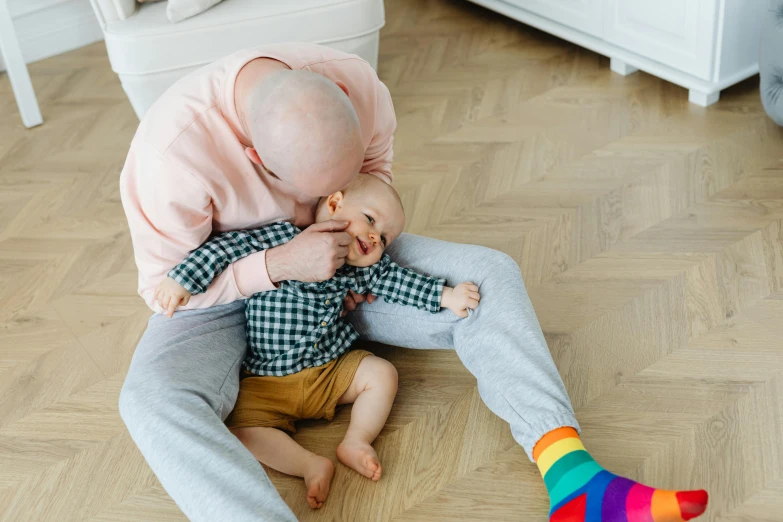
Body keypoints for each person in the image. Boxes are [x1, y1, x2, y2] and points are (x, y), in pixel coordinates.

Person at [119, 42, 709, 522]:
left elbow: (378, 188)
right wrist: (277, 266)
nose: (327, 201)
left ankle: (575, 481)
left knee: (488, 275)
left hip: (354, 274)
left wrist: (359, 258)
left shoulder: (357, 86)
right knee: (149, 403)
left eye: (340, 181)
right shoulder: (169, 159)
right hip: (228, 295)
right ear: (254, 157)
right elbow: (168, 290)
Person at [153, 175, 480, 509]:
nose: (374, 237)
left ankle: (356, 440)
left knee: (382, 374)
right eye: (370, 220)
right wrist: (184, 280)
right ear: (335, 204)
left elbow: (398, 281)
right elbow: (227, 248)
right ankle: (308, 464)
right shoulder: (283, 237)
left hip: (330, 369)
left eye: (383, 238)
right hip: (268, 380)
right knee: (242, 431)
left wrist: (446, 295)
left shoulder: (360, 270)